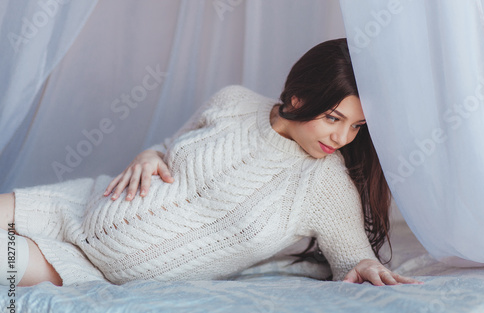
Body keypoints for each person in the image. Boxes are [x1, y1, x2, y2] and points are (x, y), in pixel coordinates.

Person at [0, 38, 421, 287]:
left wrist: (364, 267)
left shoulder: (325, 183)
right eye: (334, 118)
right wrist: (147, 155)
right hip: (81, 203)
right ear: (298, 97)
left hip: (90, 269)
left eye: (356, 126)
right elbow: (169, 147)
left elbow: (352, 257)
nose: (342, 137)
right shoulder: (234, 101)